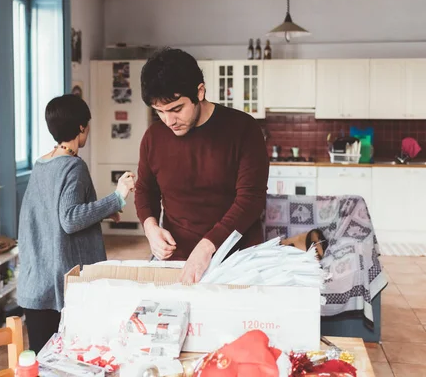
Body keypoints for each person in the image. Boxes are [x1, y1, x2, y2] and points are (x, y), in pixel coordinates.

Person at [135, 48, 269, 284]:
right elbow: (145, 190)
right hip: (177, 261)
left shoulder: (243, 129)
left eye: (176, 109)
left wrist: (207, 246)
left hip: (237, 261)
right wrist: (150, 227)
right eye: (159, 112)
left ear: (200, 91)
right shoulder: (153, 137)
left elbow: (251, 200)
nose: (169, 121)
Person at [17, 94, 136, 353]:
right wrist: (117, 197)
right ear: (81, 127)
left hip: (36, 283)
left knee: (44, 363)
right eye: (88, 126)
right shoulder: (73, 167)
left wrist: (102, 213)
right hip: (61, 287)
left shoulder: (42, 164)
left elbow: (53, 214)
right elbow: (70, 219)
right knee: (71, 359)